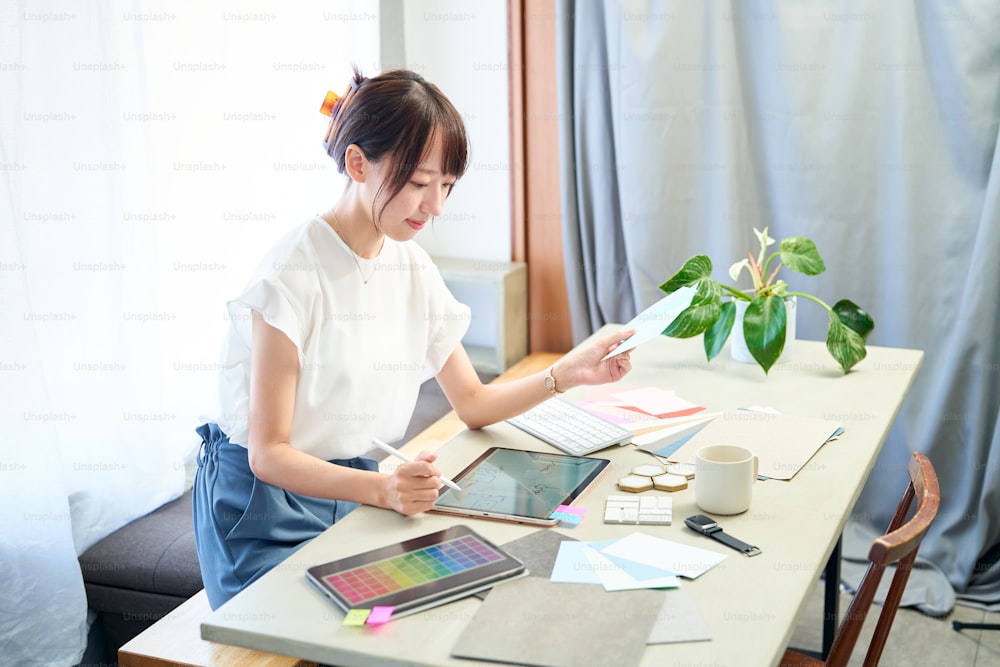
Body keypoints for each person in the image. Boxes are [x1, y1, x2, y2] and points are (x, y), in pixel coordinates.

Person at [192, 67, 634, 610]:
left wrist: (566, 374)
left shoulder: (410, 266)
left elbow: (472, 403)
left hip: (348, 486)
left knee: (447, 604)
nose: (436, 206)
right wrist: (382, 488)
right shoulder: (291, 274)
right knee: (318, 633)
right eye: (420, 183)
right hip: (263, 507)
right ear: (358, 163)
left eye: (446, 185)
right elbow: (268, 454)